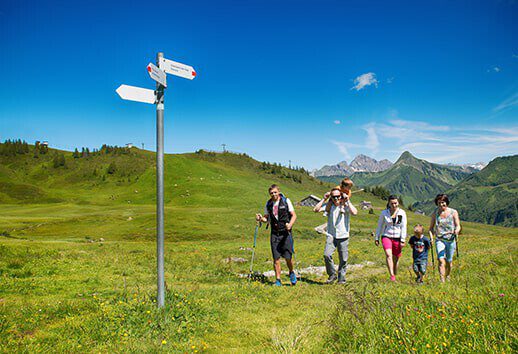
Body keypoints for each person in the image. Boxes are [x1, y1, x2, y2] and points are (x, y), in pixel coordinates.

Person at [313, 186, 358, 284]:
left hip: (343, 235)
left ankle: (341, 279)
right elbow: (315, 209)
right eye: (333, 197)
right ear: (331, 198)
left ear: (341, 196)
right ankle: (332, 275)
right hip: (331, 235)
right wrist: (324, 199)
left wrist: (348, 201)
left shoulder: (345, 206)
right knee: (327, 255)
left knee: (343, 259)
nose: (336, 199)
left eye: (338, 196)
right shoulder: (330, 207)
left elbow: (354, 212)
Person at [256, 184, 297, 286]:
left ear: (278, 191)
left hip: (286, 232)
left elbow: (294, 215)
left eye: (275, 192)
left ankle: (291, 272)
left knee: (288, 257)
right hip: (275, 233)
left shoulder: (286, 201)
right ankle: (278, 280)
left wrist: (290, 224)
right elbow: (266, 218)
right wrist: (261, 218)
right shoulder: (269, 204)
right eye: (271, 193)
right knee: (276, 258)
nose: (273, 194)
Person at [429, 194, 461, 282]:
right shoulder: (435, 213)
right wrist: (431, 237)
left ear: (446, 202)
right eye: (439, 203)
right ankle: (442, 280)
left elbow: (458, 225)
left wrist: (456, 231)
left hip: (451, 239)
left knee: (449, 261)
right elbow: (431, 228)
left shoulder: (453, 212)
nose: (441, 205)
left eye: (443, 202)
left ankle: (448, 275)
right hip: (440, 239)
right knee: (440, 260)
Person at [375, 195, 407, 281]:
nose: (394, 205)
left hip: (398, 237)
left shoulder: (402, 213)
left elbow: (404, 227)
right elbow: (379, 226)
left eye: (395, 203)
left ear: (398, 203)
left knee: (396, 259)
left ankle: (395, 272)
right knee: (388, 255)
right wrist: (377, 237)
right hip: (386, 236)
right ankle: (392, 276)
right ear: (388, 203)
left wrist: (403, 240)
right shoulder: (384, 213)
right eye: (392, 203)